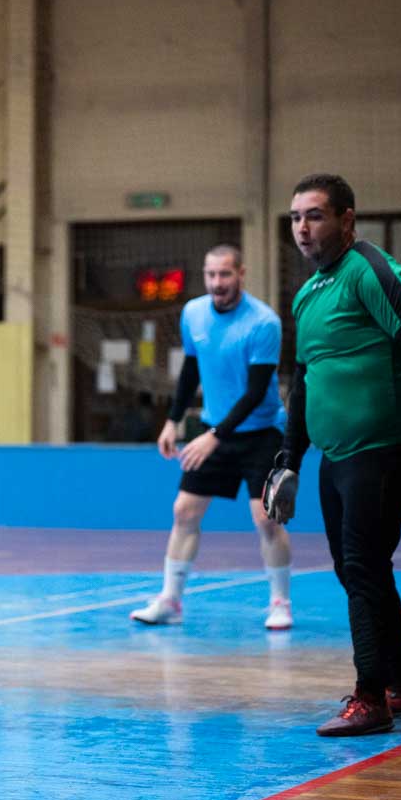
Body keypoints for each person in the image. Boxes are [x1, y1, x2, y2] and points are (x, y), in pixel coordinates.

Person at [265, 173, 401, 736]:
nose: (302, 227)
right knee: (355, 569)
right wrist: (289, 458)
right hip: (335, 458)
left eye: (314, 215)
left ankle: (370, 697)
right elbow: (304, 381)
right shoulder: (308, 294)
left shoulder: (368, 270)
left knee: (362, 565)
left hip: (381, 452)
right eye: (295, 217)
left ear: (347, 219)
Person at [131, 244, 293, 630]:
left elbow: (255, 393)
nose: (217, 282)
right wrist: (172, 421)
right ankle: (170, 600)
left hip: (262, 432)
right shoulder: (193, 313)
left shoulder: (264, 323)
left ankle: (281, 603)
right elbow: (191, 370)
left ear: (241, 274)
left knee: (266, 519)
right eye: (211, 274)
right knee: (184, 512)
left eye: (225, 274)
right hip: (214, 428)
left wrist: (214, 436)